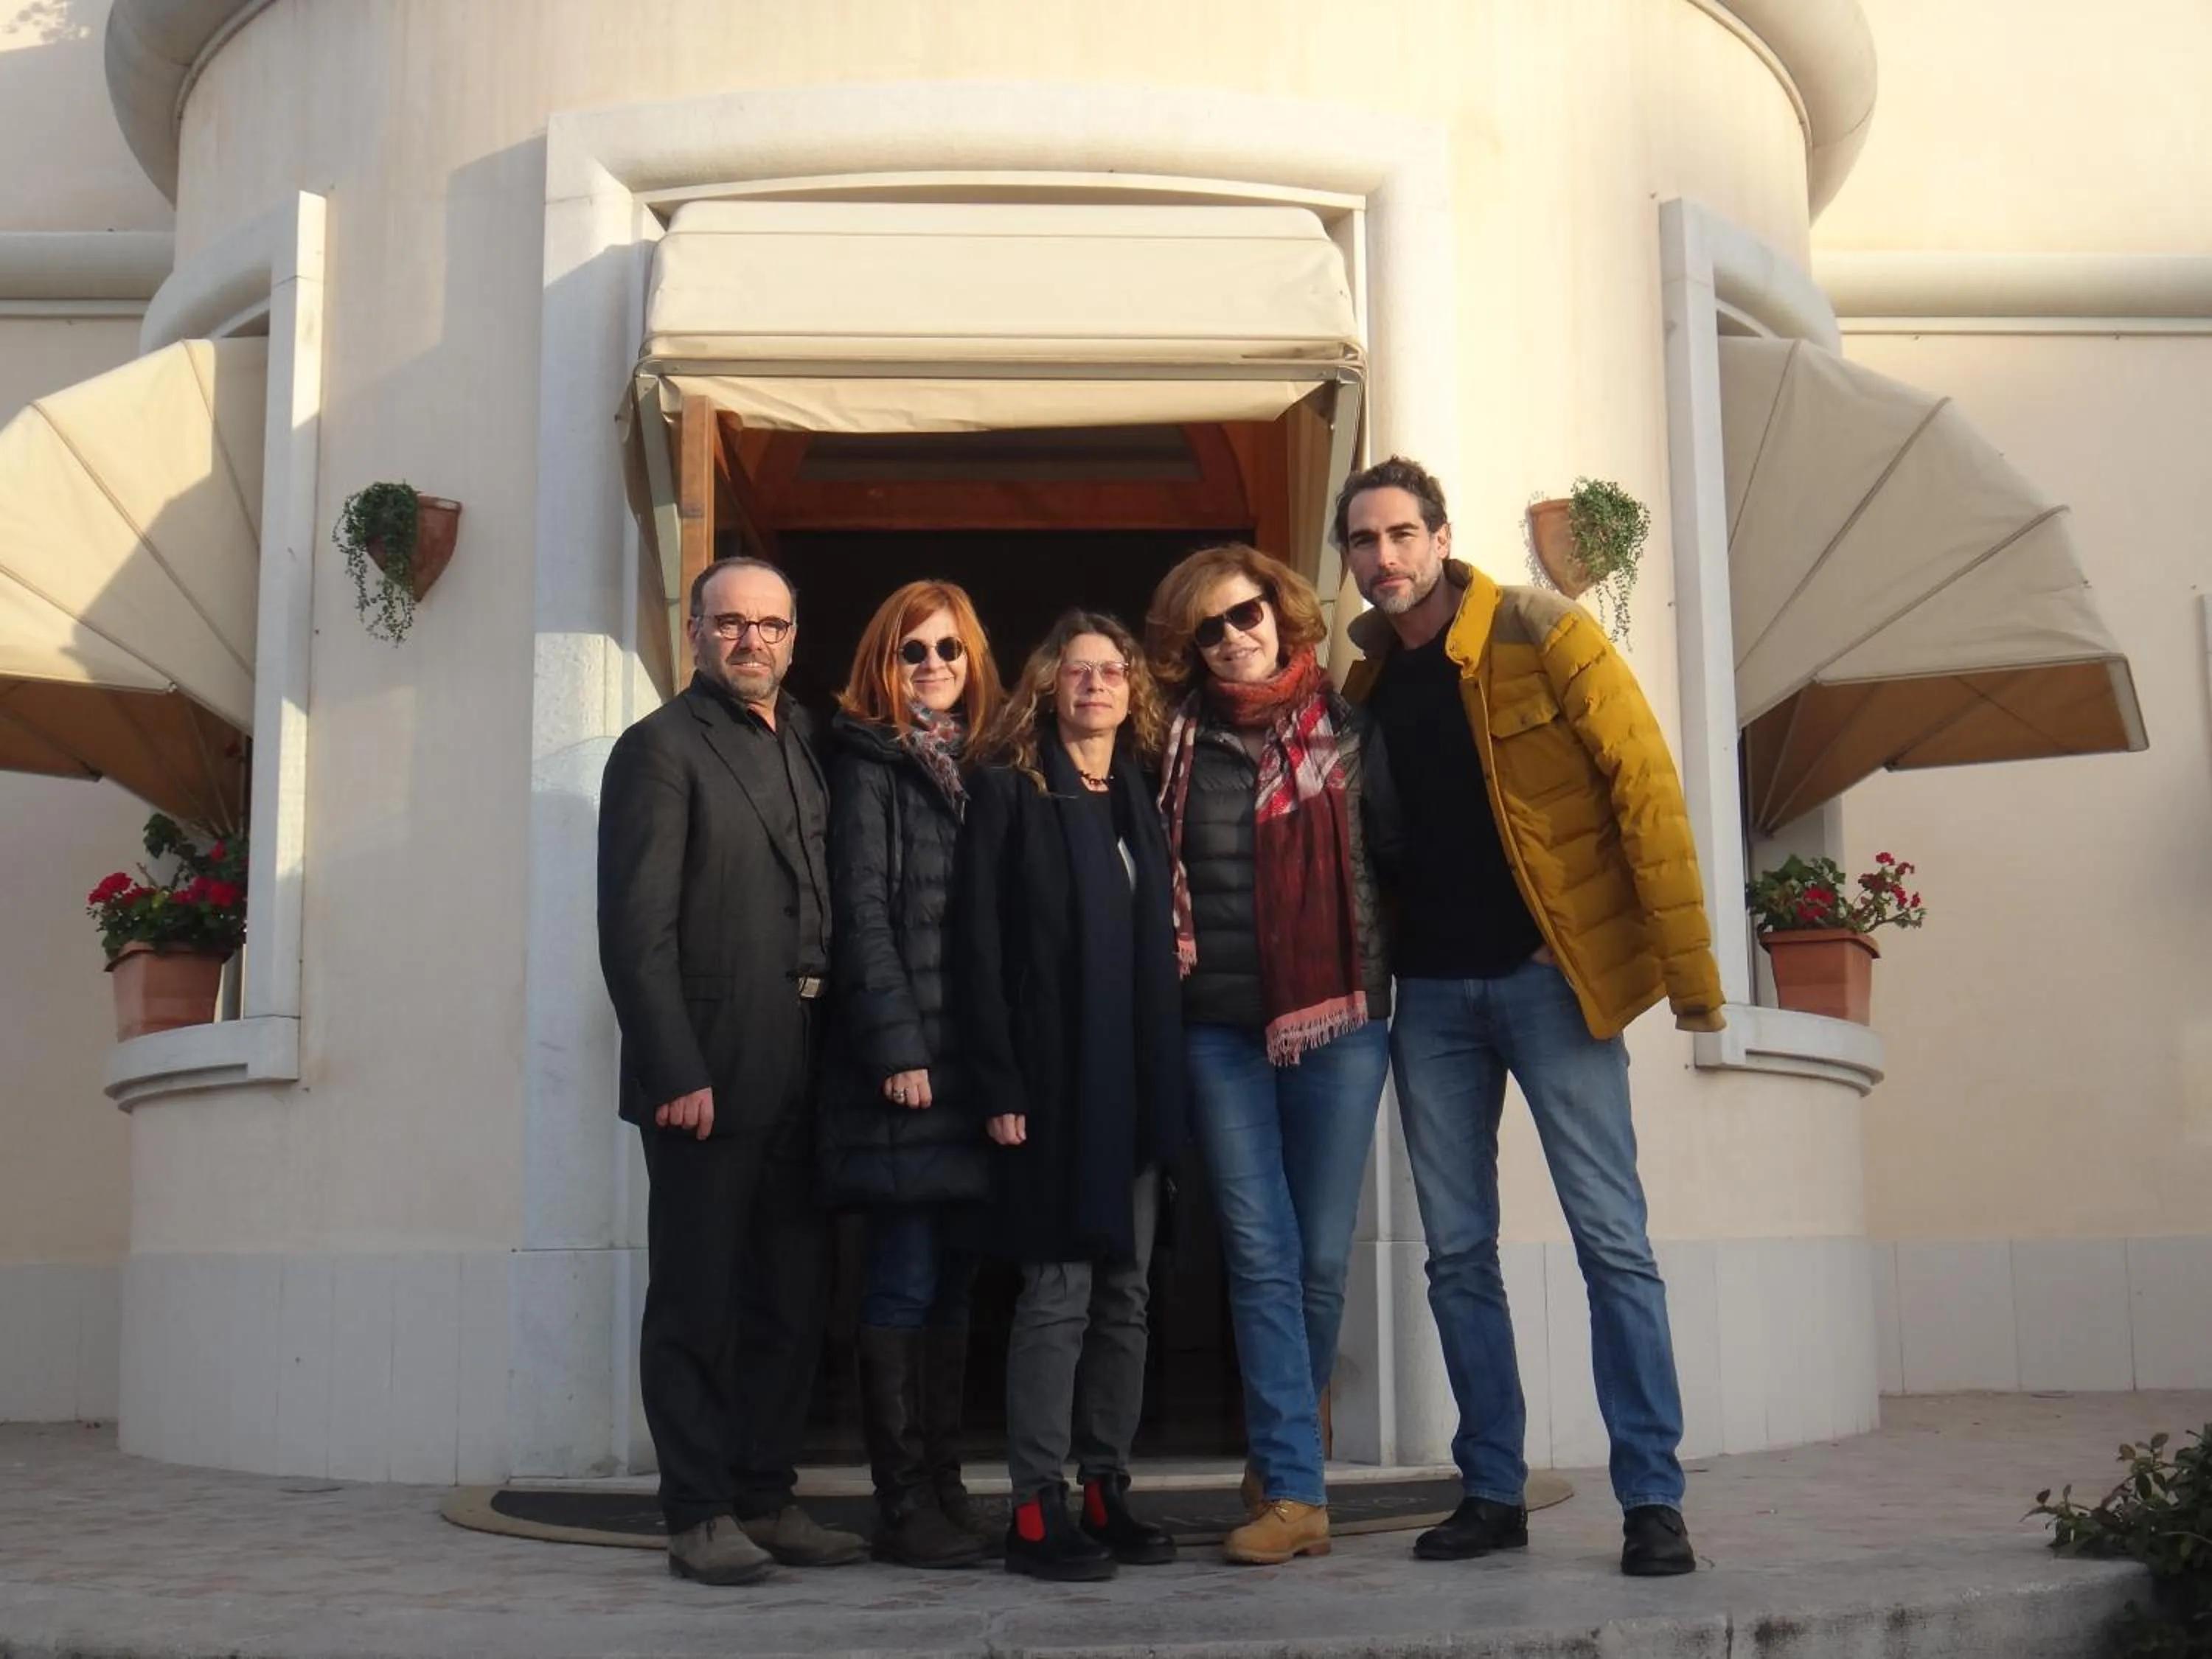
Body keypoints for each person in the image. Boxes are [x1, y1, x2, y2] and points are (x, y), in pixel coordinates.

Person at [1332, 457, 1725, 1579]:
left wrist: (1687, 978)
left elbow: (1644, 783)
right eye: (1364, 541)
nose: (1385, 557)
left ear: (1441, 535)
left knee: (1613, 1243)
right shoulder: (1361, 691)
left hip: (1553, 983)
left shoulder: (1541, 631)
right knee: (1456, 1255)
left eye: (1401, 533)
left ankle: (1652, 1497)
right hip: (1432, 1000)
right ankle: (1491, 1487)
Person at [596, 556, 866, 1585]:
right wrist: (673, 1064)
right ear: (698, 634)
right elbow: (634, 930)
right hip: (706, 1070)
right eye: (730, 624)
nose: (751, 640)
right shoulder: (658, 749)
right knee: (699, 1300)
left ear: (794, 636)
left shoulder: (802, 741)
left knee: (790, 1298)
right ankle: (698, 1511)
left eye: (770, 624)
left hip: (804, 1061)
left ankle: (765, 1489)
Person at [1144, 546, 1397, 1567]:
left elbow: (1402, 862)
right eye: (1208, 627)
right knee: (1258, 1247)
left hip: (1340, 1019)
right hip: (1217, 1027)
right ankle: (1296, 1485)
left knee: (1321, 1254)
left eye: (1244, 613)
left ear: (1282, 613)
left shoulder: (1352, 728)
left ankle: (1285, 1439)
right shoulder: (1170, 741)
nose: (1233, 635)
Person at [952, 610, 1186, 1583]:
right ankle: (1035, 1504)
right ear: (1049, 685)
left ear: (1133, 692)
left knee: (1126, 1294)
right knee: (1058, 1292)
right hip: (1049, 1083)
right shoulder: (1011, 791)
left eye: (1113, 672)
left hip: (1132, 1083)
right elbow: (978, 946)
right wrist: (998, 1078)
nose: (1096, 685)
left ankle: (1104, 1484)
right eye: (1078, 672)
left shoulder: (1136, 793)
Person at [817, 580, 1005, 1570]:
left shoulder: (982, 766)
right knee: (903, 1279)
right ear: (881, 666)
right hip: (908, 1071)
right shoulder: (868, 763)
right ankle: (900, 1502)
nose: (934, 666)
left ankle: (943, 1485)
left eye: (949, 650)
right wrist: (897, 1050)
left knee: (954, 1284)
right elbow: (861, 912)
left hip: (971, 1075)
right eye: (912, 651)